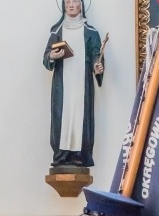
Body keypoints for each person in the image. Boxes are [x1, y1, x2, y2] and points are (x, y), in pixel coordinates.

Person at [43, 0, 104, 167]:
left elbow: (96, 55)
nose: (71, 5)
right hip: (63, 83)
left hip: (81, 82)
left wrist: (97, 67)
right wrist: (52, 56)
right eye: (67, 1)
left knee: (80, 115)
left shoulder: (91, 32)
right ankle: (61, 154)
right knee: (62, 115)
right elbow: (47, 55)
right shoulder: (57, 31)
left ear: (81, 5)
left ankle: (79, 154)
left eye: (75, 1)